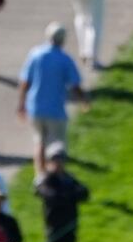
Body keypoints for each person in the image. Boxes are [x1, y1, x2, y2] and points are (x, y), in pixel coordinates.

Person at [17, 22, 89, 171]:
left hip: (35, 107)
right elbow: (74, 84)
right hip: (55, 109)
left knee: (40, 143)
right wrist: (83, 100)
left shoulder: (35, 55)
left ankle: (40, 174)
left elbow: (25, 81)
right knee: (56, 146)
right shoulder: (64, 59)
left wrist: (21, 103)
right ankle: (55, 175)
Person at [34, 143, 90, 242]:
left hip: (69, 225)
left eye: (61, 159)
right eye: (55, 159)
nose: (58, 162)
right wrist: (70, 196)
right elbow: (50, 196)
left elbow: (84, 193)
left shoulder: (69, 178)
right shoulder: (46, 179)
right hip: (54, 226)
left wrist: (66, 195)